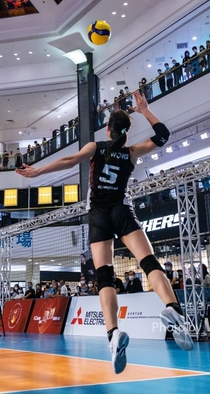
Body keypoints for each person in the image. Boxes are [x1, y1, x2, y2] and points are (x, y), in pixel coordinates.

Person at [16, 91, 192, 375]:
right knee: (150, 264)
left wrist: (39, 172)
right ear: (125, 131)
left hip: (98, 216)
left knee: (104, 276)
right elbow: (163, 136)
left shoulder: (96, 147)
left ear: (108, 130)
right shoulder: (131, 152)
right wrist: (145, 110)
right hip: (122, 211)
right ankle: (174, 309)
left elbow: (70, 161)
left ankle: (113, 334)